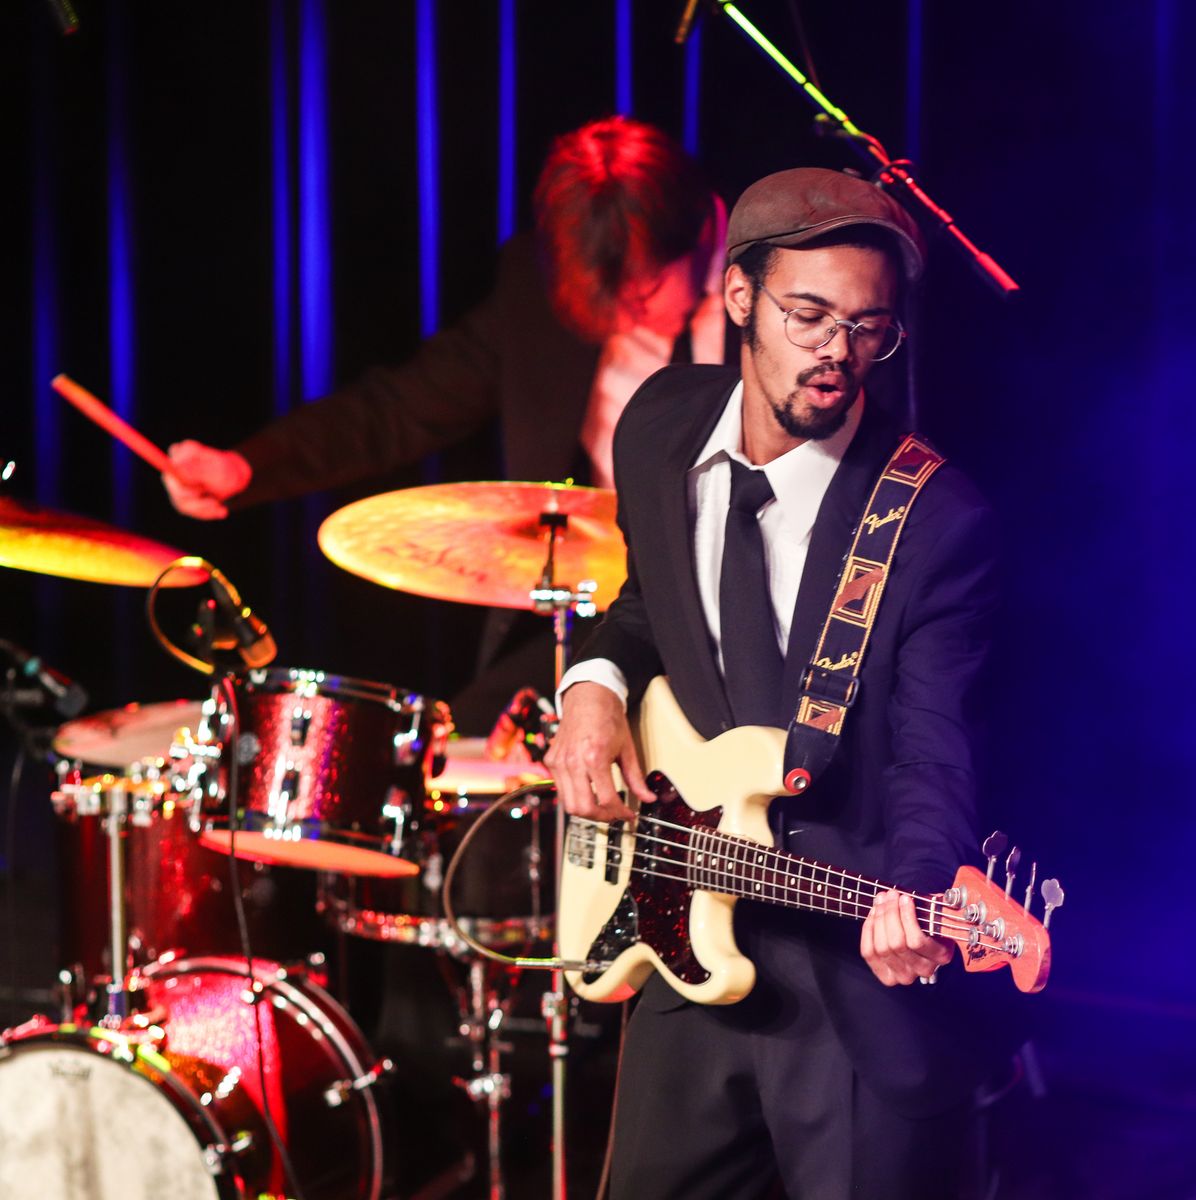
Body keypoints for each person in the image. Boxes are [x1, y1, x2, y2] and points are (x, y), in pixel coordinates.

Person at [545, 167, 1001, 1198]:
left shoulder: (933, 521)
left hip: (846, 976)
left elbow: (933, 746)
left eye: (868, 326)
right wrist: (593, 690)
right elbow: (643, 604)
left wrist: (918, 890)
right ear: (739, 297)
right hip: (684, 937)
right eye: (808, 316)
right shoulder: (659, 427)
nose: (838, 350)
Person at [160, 116, 732, 729]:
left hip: (747, 610)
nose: (624, 319)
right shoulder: (535, 285)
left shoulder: (781, 276)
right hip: (619, 608)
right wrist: (247, 466)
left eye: (642, 295)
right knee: (471, 740)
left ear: (701, 230)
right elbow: (398, 410)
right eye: (602, 305)